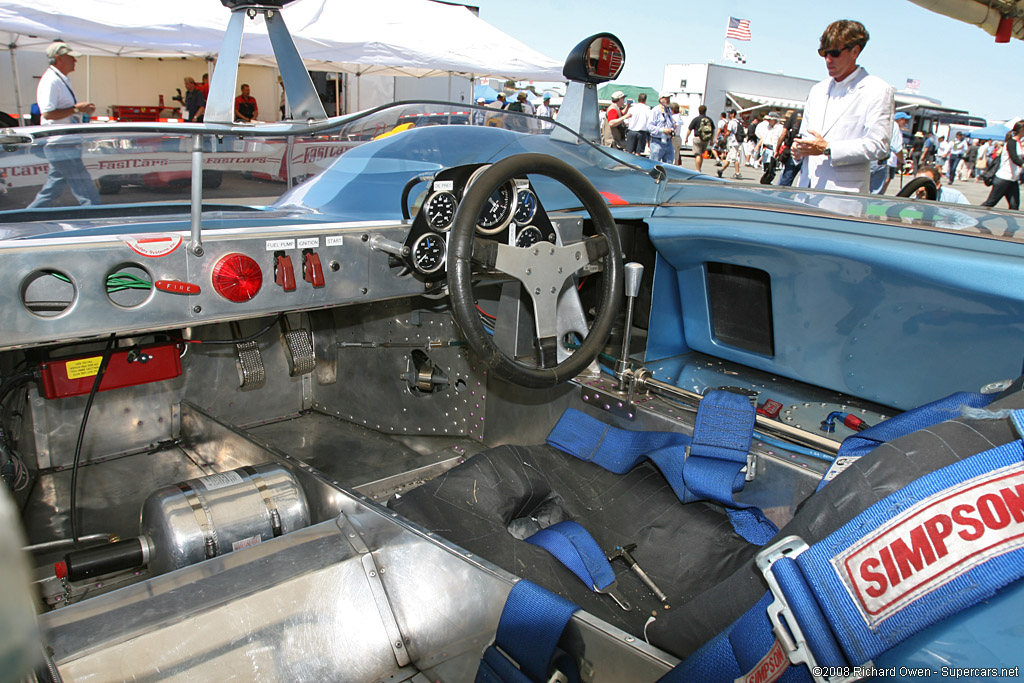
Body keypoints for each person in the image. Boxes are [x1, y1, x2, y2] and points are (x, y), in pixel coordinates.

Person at [793, 20, 894, 193]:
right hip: (806, 191)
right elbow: (806, 136)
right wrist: (798, 149)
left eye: (834, 53)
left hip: (844, 196)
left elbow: (879, 146)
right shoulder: (818, 90)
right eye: (823, 53)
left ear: (855, 51)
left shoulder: (877, 90)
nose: (828, 59)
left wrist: (829, 148)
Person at [27, 41, 101, 209]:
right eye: (71, 58)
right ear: (59, 58)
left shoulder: (59, 79)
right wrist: (76, 108)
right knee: (86, 190)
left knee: (53, 189)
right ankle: (95, 217)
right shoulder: (51, 81)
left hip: (64, 143)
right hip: (60, 144)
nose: (75, 61)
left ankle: (26, 216)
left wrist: (79, 111)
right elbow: (47, 113)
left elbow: (57, 112)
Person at [981, 121, 1024, 210]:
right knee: (990, 203)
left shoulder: (1019, 143)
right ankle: (970, 216)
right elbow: (1014, 158)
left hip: (1013, 179)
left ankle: (1013, 224)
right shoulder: (1011, 142)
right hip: (1003, 178)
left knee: (1014, 206)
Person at [880, 112, 909, 194]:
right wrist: (902, 160)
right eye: (905, 120)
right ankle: (879, 197)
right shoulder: (894, 126)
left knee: (887, 179)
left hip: (892, 160)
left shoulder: (897, 130)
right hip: (889, 159)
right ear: (899, 120)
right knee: (885, 179)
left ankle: (881, 195)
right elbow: (896, 147)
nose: (906, 123)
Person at [775, 110, 804, 186]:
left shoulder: (795, 114)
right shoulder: (816, 114)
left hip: (793, 149)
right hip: (809, 151)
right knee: (807, 181)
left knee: (786, 179)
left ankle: (782, 195)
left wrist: (777, 149)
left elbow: (784, 133)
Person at [647, 92, 676, 164]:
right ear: (660, 99)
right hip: (657, 142)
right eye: (666, 98)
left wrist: (672, 129)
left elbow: (669, 122)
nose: (668, 100)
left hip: (668, 141)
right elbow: (649, 127)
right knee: (653, 165)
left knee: (669, 166)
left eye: (669, 98)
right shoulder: (655, 110)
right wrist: (663, 130)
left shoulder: (668, 110)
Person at [685, 105, 715, 173]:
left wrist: (686, 138)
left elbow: (689, 129)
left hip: (698, 138)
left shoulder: (696, 119)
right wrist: (711, 140)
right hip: (706, 139)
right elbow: (713, 130)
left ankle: (697, 170)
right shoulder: (709, 119)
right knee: (701, 154)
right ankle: (699, 168)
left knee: (698, 155)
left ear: (699, 111)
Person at [716, 110, 743, 179]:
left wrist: (724, 139)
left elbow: (728, 132)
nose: (728, 115)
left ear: (733, 114)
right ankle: (721, 170)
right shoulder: (738, 121)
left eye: (730, 114)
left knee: (734, 158)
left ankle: (738, 173)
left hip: (733, 142)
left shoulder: (731, 122)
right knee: (729, 158)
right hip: (737, 142)